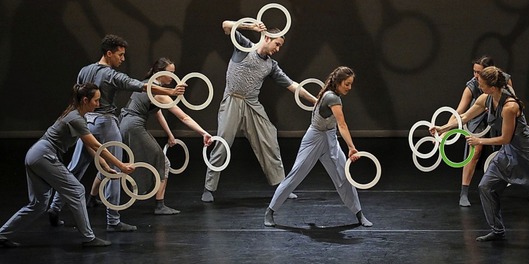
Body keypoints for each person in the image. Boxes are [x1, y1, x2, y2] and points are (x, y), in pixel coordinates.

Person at [431, 66, 529, 253]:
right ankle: (497, 230)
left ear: (492, 86)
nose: (478, 86)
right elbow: (464, 117)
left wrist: (479, 140)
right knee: (486, 187)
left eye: (481, 84)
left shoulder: (510, 106)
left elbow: (505, 138)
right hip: (508, 154)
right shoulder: (485, 99)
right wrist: (443, 128)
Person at [47, 34, 186, 231]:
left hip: (85, 123)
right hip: (105, 124)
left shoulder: (84, 70)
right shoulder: (111, 75)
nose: (122, 59)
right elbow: (141, 85)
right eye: (120, 55)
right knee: (115, 170)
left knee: (75, 168)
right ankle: (113, 221)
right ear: (109, 53)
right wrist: (171, 92)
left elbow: (77, 98)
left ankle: (54, 207)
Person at [0, 83, 134, 248]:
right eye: (96, 101)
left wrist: (105, 165)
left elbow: (89, 146)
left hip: (35, 155)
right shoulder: (75, 118)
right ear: (85, 100)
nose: (99, 104)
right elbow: (98, 146)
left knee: (38, 204)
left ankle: (1, 235)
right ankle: (89, 238)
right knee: (77, 190)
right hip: (43, 155)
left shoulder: (78, 116)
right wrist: (121, 165)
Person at [200, 20, 317, 203]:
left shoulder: (271, 65)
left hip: (252, 104)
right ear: (267, 37)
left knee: (269, 139)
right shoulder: (244, 46)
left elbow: (294, 86)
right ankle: (209, 188)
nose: (278, 49)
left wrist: (316, 101)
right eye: (277, 44)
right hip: (233, 100)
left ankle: (281, 186)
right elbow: (225, 25)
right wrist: (251, 27)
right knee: (223, 143)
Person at [264, 66, 373, 227]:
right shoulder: (332, 98)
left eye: (351, 84)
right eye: (347, 84)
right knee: (296, 174)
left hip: (330, 137)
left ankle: (359, 214)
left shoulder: (332, 95)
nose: (349, 88)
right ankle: (270, 211)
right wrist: (351, 147)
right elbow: (342, 125)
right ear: (338, 82)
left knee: (344, 175)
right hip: (314, 138)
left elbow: (337, 126)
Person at [120, 57, 214, 215]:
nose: (172, 77)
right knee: (164, 162)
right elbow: (183, 117)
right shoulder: (160, 93)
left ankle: (94, 196)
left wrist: (170, 135)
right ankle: (160, 205)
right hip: (133, 126)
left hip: (124, 122)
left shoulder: (150, 85)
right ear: (159, 72)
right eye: (170, 73)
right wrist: (204, 132)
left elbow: (158, 113)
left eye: (174, 73)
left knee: (115, 161)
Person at [453, 56, 514, 207]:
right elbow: (461, 112)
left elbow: (513, 101)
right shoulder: (472, 85)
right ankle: (464, 192)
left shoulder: (504, 80)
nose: (476, 76)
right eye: (474, 72)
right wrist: (444, 130)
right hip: (477, 118)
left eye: (479, 73)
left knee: (506, 152)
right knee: (475, 150)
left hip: (498, 117)